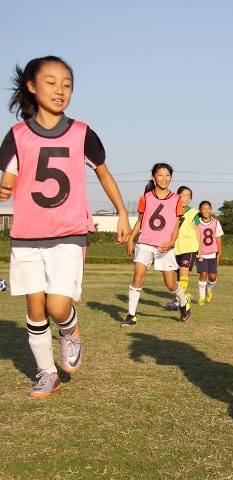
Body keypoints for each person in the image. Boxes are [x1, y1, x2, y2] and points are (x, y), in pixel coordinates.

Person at [0, 56, 131, 397]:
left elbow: (102, 172)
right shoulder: (16, 135)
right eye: (51, 82)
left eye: (67, 84)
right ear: (31, 85)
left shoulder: (81, 133)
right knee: (34, 306)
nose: (60, 90)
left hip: (69, 232)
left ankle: (70, 330)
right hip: (27, 234)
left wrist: (121, 213)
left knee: (57, 306)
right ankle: (47, 374)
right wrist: (5, 187)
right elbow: (9, 178)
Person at [122, 163, 192, 326]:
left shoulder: (176, 199)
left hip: (165, 246)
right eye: (160, 175)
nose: (164, 178)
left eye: (167, 175)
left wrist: (172, 242)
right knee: (138, 276)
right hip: (144, 243)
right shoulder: (145, 198)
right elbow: (140, 221)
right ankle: (131, 315)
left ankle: (183, 303)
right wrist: (131, 239)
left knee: (170, 284)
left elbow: (176, 225)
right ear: (153, 177)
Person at [166, 186, 201, 310]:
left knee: (184, 271)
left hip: (190, 247)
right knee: (177, 276)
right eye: (183, 195)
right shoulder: (172, 210)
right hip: (175, 247)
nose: (186, 199)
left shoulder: (193, 213)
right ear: (177, 196)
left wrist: (200, 249)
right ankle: (183, 297)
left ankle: (177, 300)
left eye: (189, 196)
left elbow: (198, 231)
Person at [195, 200, 223, 305]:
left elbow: (218, 238)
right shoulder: (196, 221)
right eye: (203, 209)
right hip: (201, 253)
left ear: (211, 210)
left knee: (212, 277)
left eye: (208, 209)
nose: (206, 211)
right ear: (200, 210)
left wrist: (220, 252)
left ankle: (209, 289)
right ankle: (201, 297)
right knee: (203, 274)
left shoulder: (216, 222)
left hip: (212, 253)